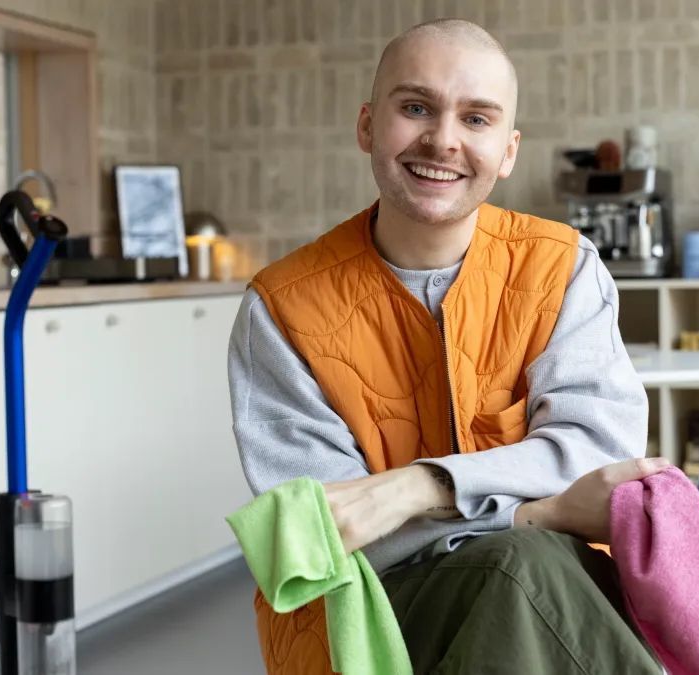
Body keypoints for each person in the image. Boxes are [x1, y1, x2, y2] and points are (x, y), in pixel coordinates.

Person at [228, 17, 667, 674]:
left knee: (527, 572)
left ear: (509, 149)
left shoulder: (563, 267)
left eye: (477, 119)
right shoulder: (282, 306)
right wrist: (535, 512)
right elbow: (323, 533)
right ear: (368, 126)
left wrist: (419, 486)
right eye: (415, 108)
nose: (443, 140)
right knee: (521, 564)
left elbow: (601, 452)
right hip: (376, 608)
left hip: (558, 594)